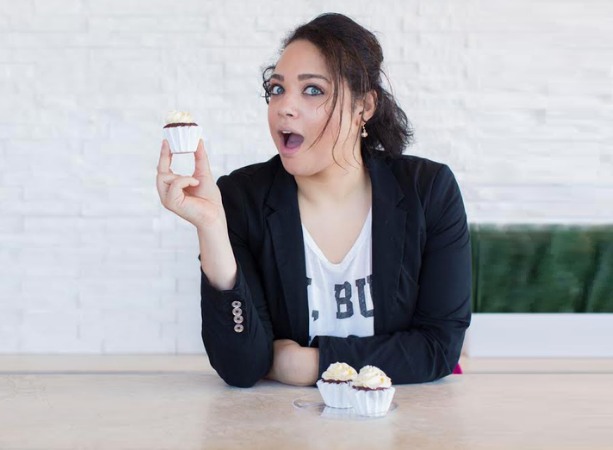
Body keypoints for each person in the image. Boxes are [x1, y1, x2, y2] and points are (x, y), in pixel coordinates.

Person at [156, 13, 471, 388]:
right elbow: (241, 367)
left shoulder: (429, 191)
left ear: (365, 107)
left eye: (313, 90)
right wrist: (211, 230)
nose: (284, 107)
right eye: (277, 89)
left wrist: (306, 364)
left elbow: (437, 348)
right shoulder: (241, 198)